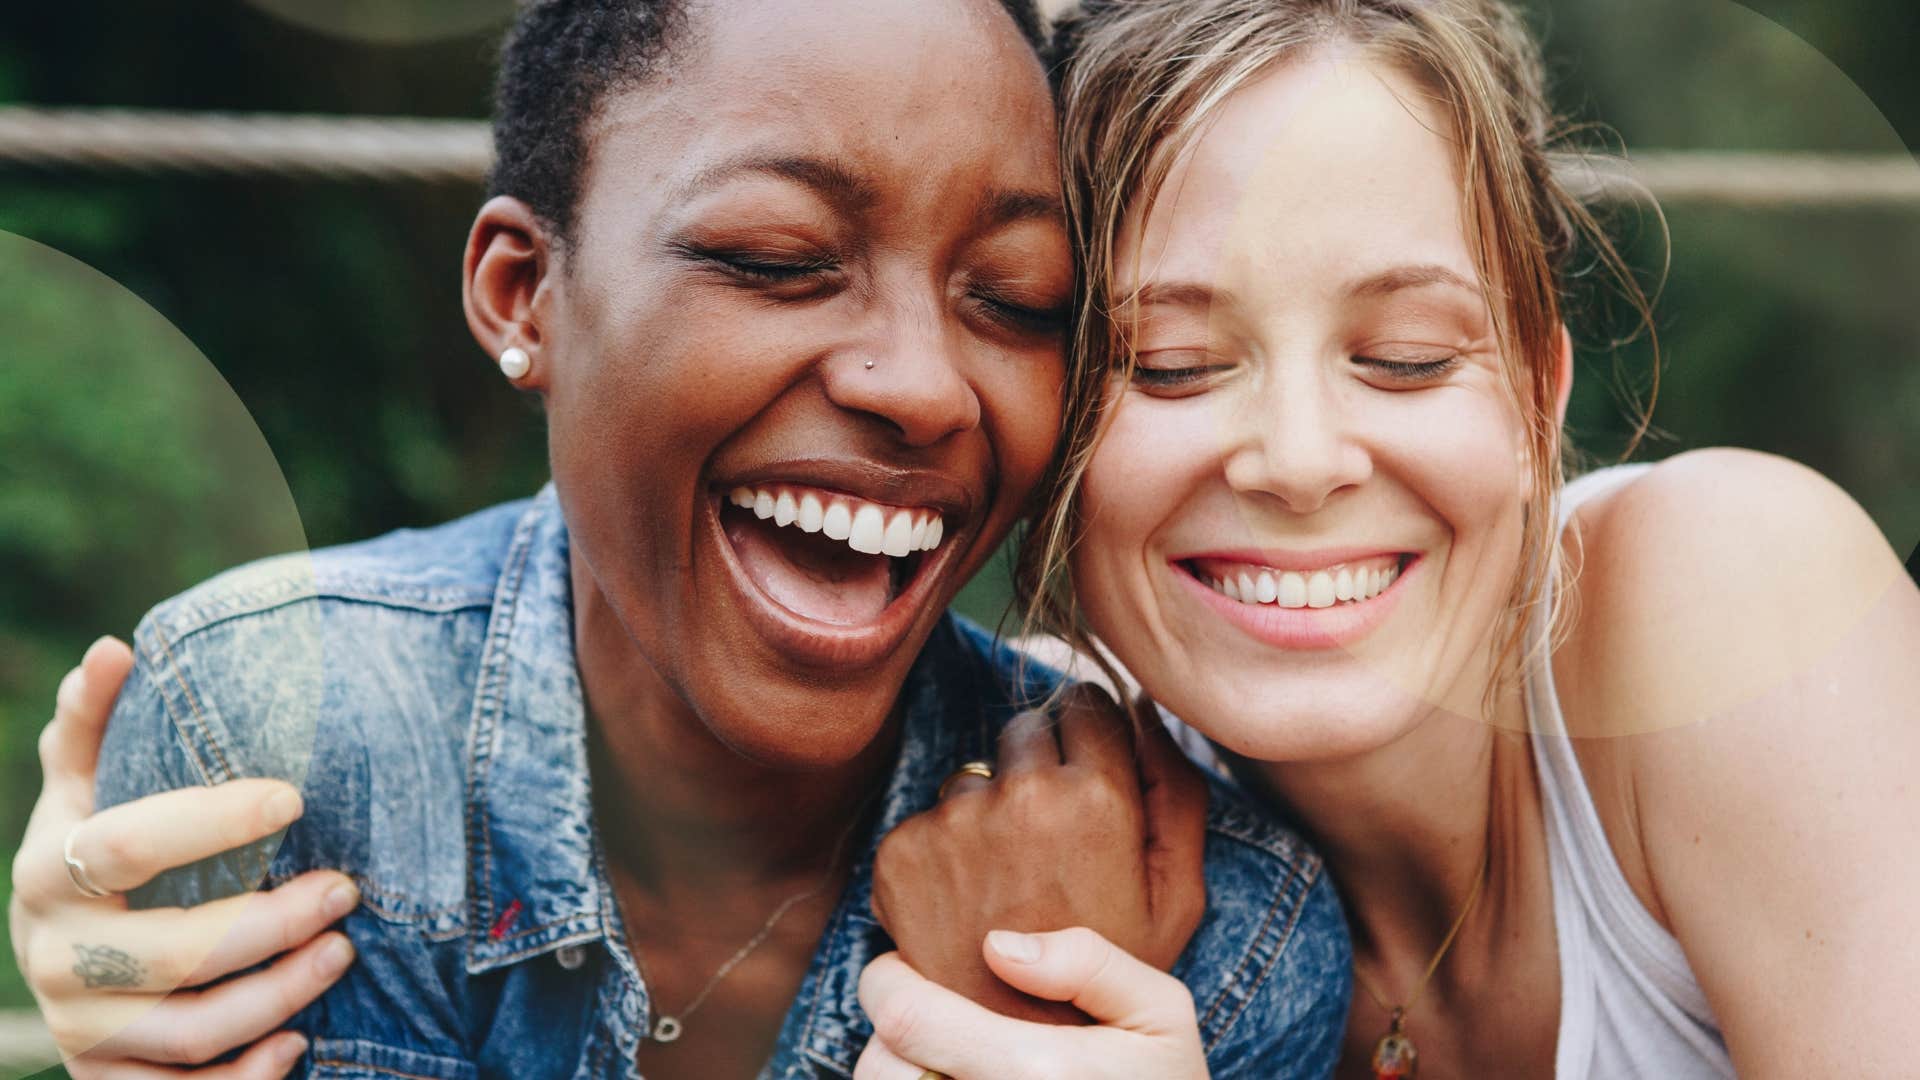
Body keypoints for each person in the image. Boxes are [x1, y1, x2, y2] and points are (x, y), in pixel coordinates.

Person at [6, 2, 1353, 1079]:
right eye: (776, 258)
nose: (923, 384)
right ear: (522, 295)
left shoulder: (1218, 936)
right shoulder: (287, 747)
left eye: (1017, 298)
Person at [847, 0, 1920, 1077]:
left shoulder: (1738, 596)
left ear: (1538, 404)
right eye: (1173, 363)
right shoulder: (1062, 812)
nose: (1302, 461)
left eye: (1405, 358)